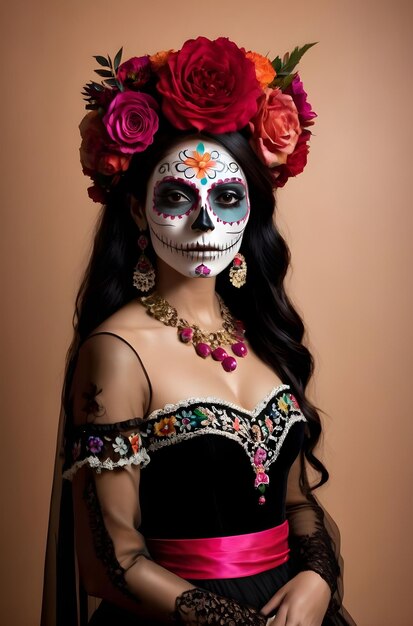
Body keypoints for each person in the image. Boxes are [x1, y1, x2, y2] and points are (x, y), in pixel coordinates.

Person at [42, 37, 356, 626]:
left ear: (251, 209)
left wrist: (316, 577)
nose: (205, 221)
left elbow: (295, 502)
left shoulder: (262, 332)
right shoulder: (117, 354)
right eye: (177, 196)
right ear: (137, 209)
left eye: (228, 197)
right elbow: (109, 560)